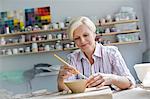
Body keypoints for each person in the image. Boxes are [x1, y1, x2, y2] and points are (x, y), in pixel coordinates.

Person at [57, 16, 135, 92]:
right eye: (77, 38)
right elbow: (65, 89)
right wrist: (61, 80)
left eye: (85, 35)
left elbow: (130, 82)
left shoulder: (112, 53)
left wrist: (112, 78)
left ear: (94, 34)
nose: (82, 41)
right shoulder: (72, 58)